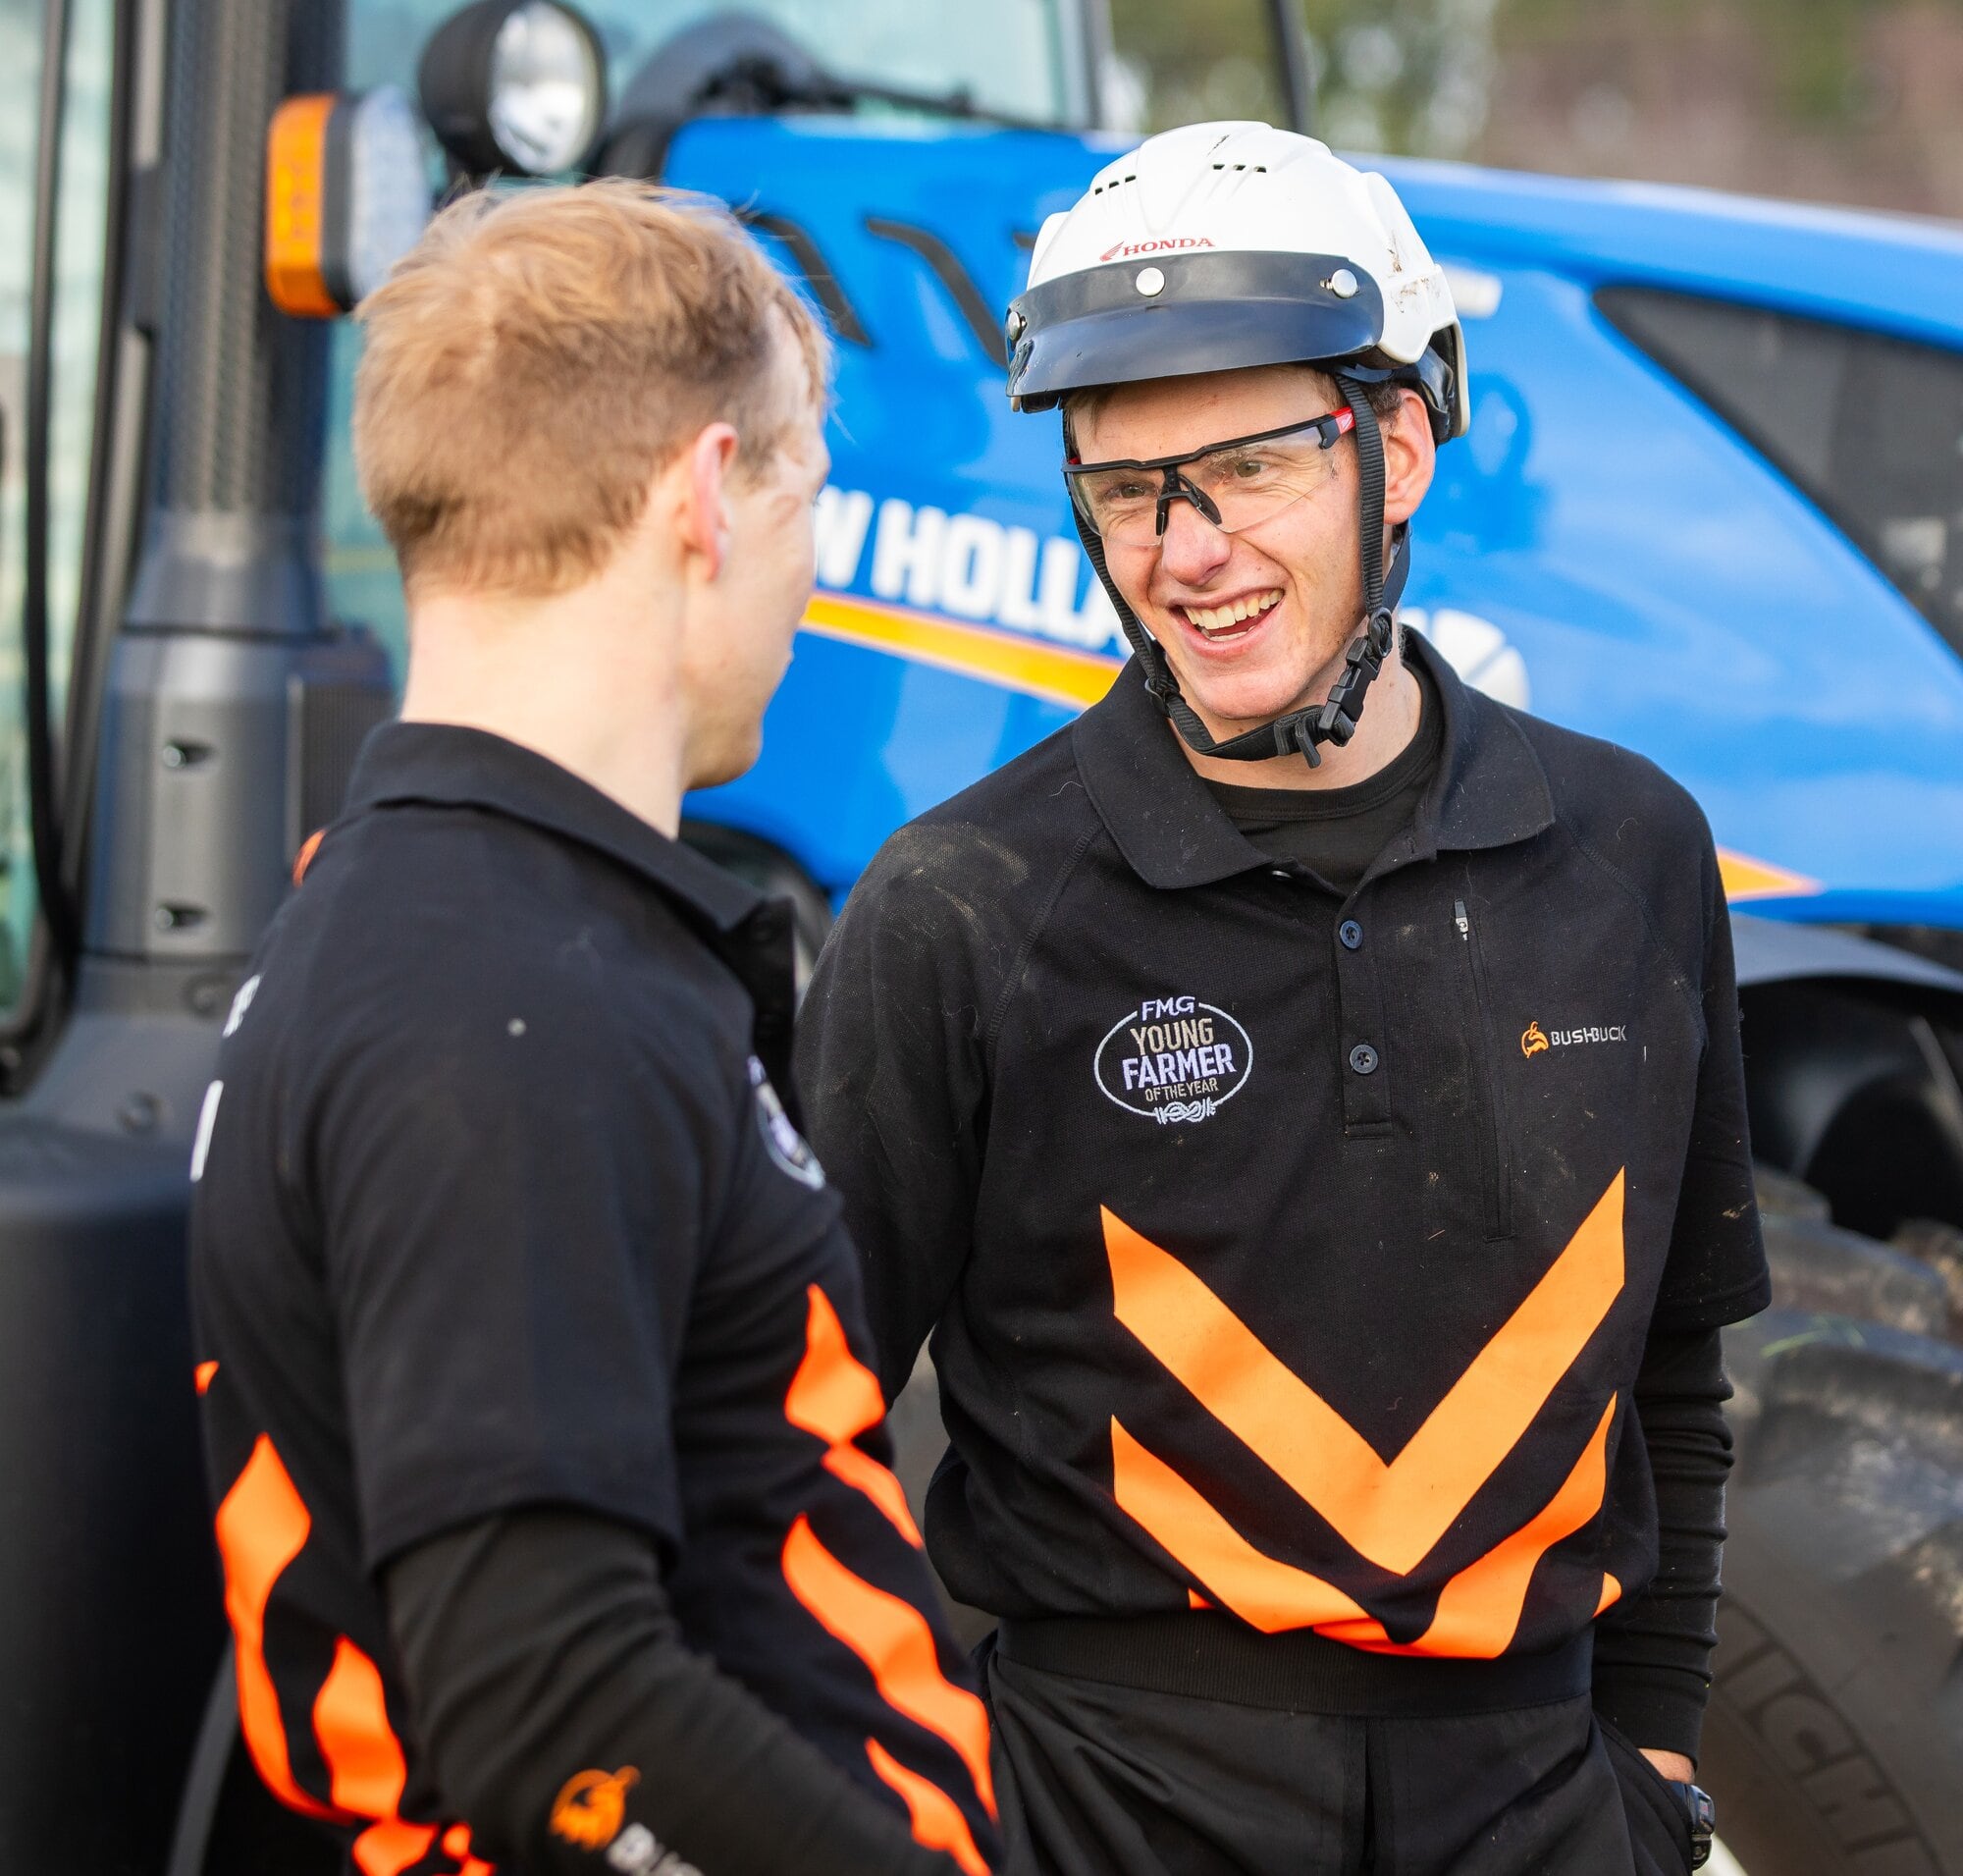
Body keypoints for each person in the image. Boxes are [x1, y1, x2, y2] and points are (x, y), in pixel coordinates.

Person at [798, 123, 1767, 1874]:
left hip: (1540, 1804)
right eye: (1123, 486)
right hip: (1096, 1802)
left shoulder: (1633, 853)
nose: (1186, 550)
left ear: (1397, 444)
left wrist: (1664, 1774)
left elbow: (1676, 1381)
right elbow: (803, 1430)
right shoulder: (960, 908)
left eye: (1246, 466)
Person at [189, 180, 1002, 1876]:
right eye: (808, 493)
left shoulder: (442, 923)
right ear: (706, 494)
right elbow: (542, 1701)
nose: (812, 566)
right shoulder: (516, 1000)